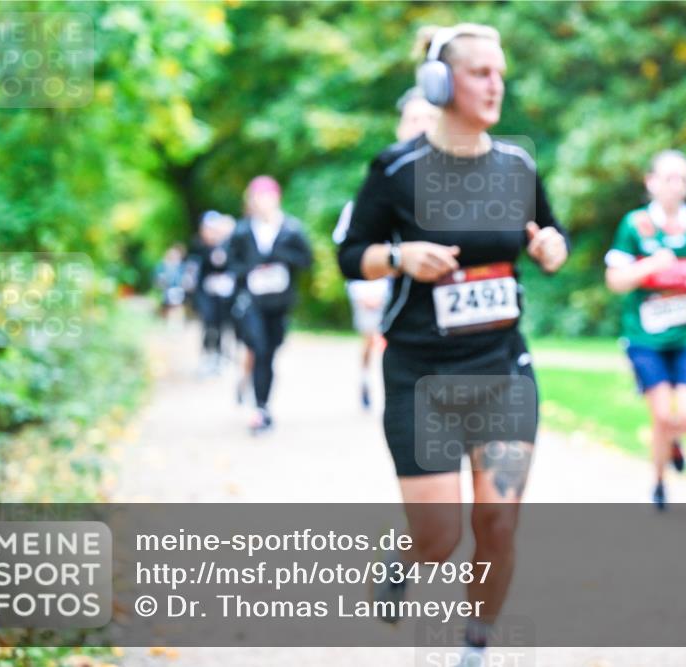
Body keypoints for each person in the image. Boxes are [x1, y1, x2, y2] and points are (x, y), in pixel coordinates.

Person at [337, 23, 569, 666]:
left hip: (503, 369)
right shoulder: (398, 169)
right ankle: (405, 554)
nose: (496, 85)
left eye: (500, 73)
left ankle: (475, 640)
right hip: (422, 377)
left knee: (498, 522)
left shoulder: (517, 164)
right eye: (479, 73)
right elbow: (349, 257)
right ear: (441, 84)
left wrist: (553, 246)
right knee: (437, 537)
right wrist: (400, 255)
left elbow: (548, 229)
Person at [604, 149, 686, 511]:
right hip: (645, 336)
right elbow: (615, 280)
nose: (678, 186)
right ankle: (659, 483)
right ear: (651, 182)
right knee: (660, 414)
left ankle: (676, 440)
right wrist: (650, 267)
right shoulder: (635, 226)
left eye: (684, 179)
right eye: (670, 177)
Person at [332, 87, 440, 410]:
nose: (421, 126)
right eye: (413, 119)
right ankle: (370, 380)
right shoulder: (384, 177)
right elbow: (352, 248)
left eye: (429, 118)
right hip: (380, 289)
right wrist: (376, 276)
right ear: (400, 127)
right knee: (373, 340)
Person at [229, 175, 313, 434]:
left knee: (271, 351)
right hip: (252, 302)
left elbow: (306, 261)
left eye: (266, 197)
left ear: (276, 198)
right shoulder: (242, 231)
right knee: (260, 349)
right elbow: (232, 265)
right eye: (256, 198)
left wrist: (279, 258)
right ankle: (261, 409)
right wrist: (252, 268)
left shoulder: (291, 229)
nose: (261, 203)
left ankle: (260, 399)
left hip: (279, 303)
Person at [193, 210, 237, 376]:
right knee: (208, 324)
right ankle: (208, 357)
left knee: (222, 325)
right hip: (206, 293)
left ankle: (220, 356)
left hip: (224, 294)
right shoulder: (200, 247)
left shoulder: (228, 246)